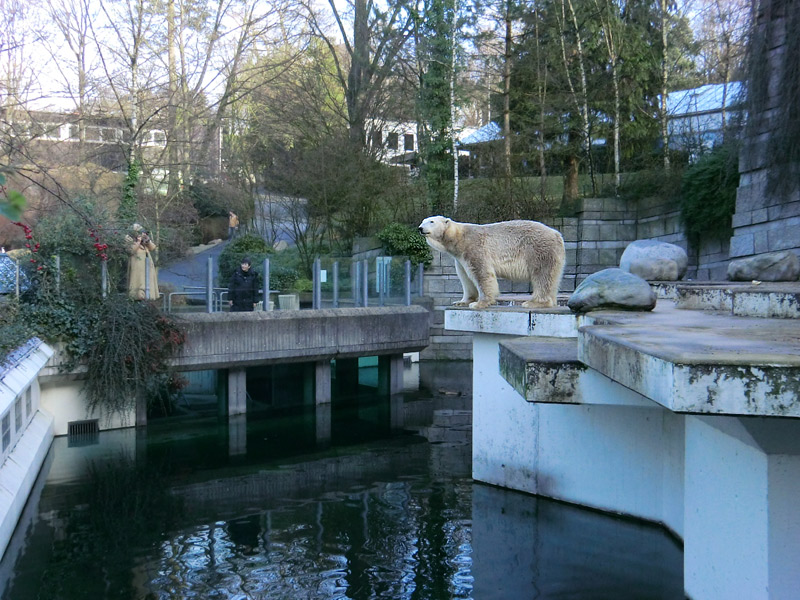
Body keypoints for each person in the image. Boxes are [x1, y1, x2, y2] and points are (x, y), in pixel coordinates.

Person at [126, 224, 159, 300]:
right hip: (137, 266)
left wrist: (147, 240)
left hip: (146, 266)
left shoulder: (144, 241)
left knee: (147, 282)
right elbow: (131, 250)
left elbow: (153, 247)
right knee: (138, 282)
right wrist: (138, 241)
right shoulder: (129, 238)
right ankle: (137, 297)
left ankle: (148, 297)